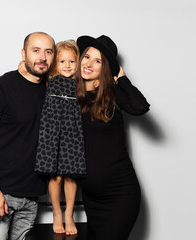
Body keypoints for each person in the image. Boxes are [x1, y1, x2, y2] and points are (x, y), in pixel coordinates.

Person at [0, 32, 55, 240]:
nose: (42, 57)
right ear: (23, 54)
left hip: (31, 197)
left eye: (48, 51)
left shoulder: (52, 92)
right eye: (36, 50)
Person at [75, 35, 150, 239]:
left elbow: (140, 107)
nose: (88, 63)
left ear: (105, 68)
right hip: (91, 198)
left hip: (120, 197)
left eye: (97, 61)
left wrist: (122, 78)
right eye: (87, 56)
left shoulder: (113, 95)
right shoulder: (72, 95)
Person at [34, 40, 86, 235]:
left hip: (72, 134)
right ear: (55, 63)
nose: (67, 65)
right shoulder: (48, 79)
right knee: (55, 177)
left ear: (78, 63)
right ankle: (57, 213)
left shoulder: (81, 83)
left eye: (72, 61)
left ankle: (69, 215)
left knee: (70, 177)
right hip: (51, 133)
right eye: (62, 61)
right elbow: (32, 69)